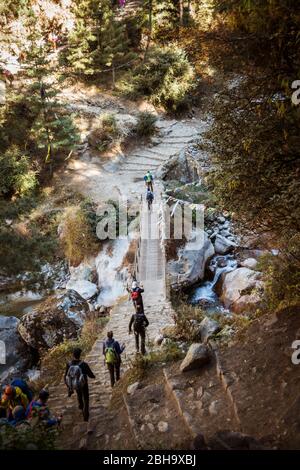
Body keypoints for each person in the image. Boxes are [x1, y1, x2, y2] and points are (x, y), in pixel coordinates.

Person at [65, 348, 95, 422]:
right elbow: (90, 374)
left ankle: (81, 406)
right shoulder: (83, 364)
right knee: (86, 398)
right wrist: (93, 376)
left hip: (74, 384)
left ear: (73, 355)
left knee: (79, 394)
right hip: (83, 383)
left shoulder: (69, 364)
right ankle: (86, 415)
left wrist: (69, 386)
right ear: (80, 355)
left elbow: (66, 375)